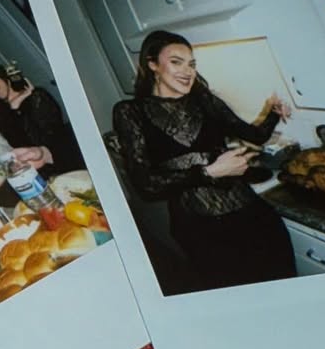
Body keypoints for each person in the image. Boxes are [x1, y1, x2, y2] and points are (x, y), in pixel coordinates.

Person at [111, 30, 296, 290]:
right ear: (152, 64)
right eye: (176, 62)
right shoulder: (130, 112)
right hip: (200, 231)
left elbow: (255, 135)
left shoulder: (206, 101)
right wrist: (209, 172)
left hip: (253, 218)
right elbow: (145, 184)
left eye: (191, 64)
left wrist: (273, 113)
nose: (187, 71)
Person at [0, 55, 81, 174]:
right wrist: (14, 109)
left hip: (72, 163)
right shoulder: (3, 116)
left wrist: (16, 111)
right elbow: (20, 146)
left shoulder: (36, 97)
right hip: (48, 175)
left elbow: (47, 142)